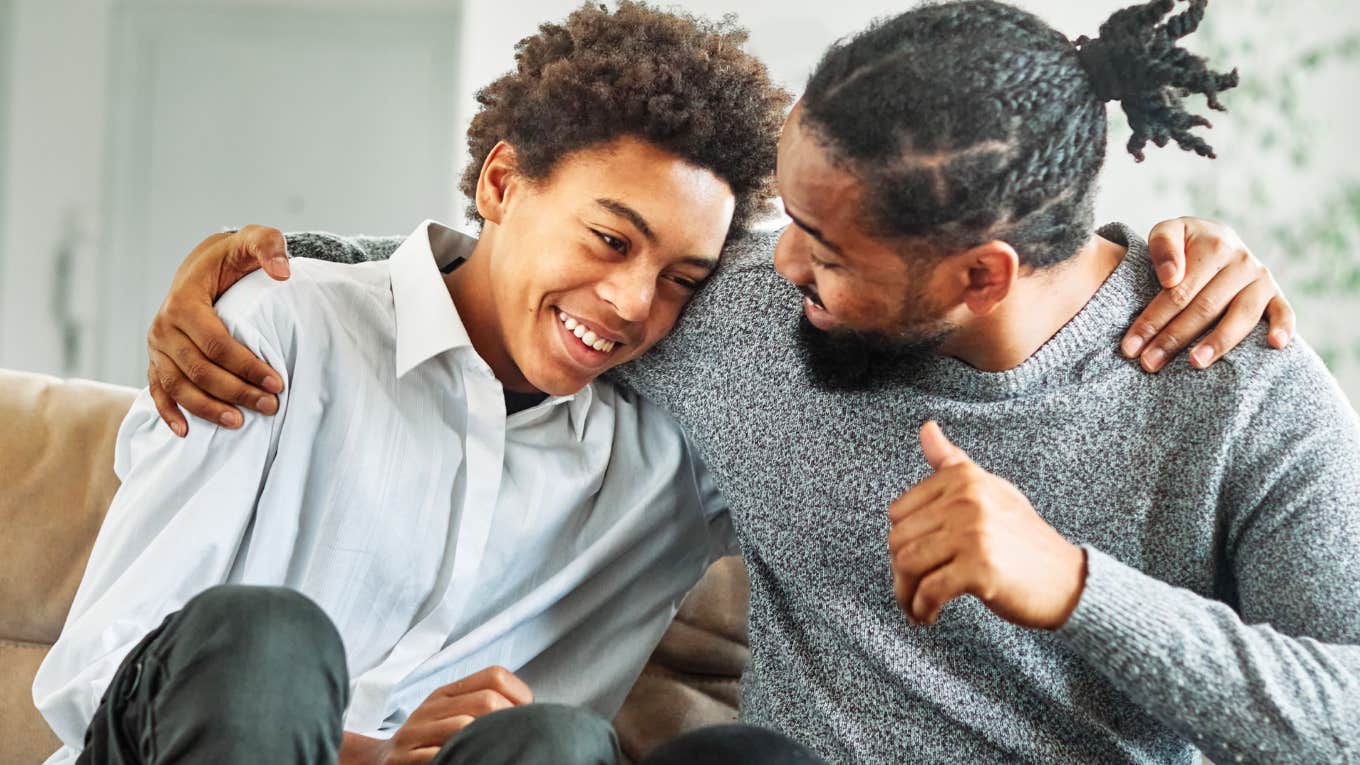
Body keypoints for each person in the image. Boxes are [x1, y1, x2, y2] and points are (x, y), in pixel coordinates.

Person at [143, 1, 1360, 764]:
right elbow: (523, 272)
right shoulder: (748, 314)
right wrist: (269, 268)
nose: (773, 268)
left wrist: (1078, 587)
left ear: (979, 274)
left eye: (825, 251)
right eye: (789, 219)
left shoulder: (1234, 384)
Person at [31, 4, 805, 764]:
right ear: (500, 184)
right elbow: (98, 668)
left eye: (681, 278)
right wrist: (366, 753)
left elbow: (840, 302)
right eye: (609, 239)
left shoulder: (680, 454)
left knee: (559, 741)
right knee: (268, 637)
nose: (634, 302)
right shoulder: (282, 330)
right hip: (203, 736)